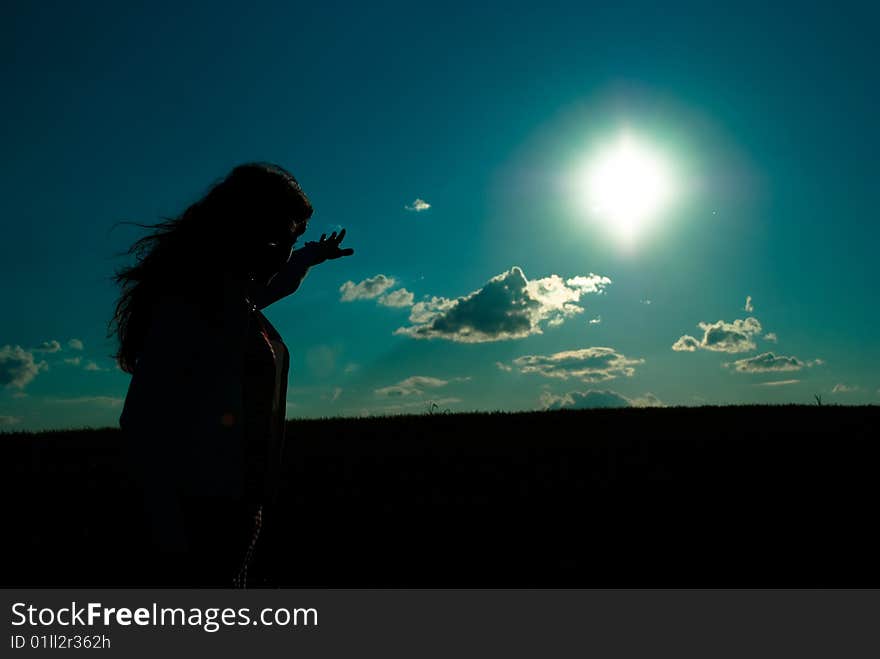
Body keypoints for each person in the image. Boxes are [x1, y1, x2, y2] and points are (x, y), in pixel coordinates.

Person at [108, 162, 353, 587]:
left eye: (291, 240)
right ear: (246, 229)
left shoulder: (233, 299)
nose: (283, 252)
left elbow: (283, 279)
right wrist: (168, 531)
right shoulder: (195, 307)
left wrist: (313, 253)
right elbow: (143, 423)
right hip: (197, 513)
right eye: (280, 237)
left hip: (232, 506)